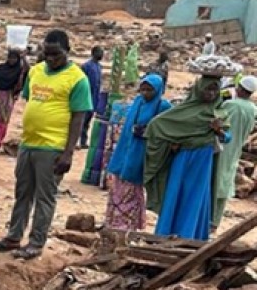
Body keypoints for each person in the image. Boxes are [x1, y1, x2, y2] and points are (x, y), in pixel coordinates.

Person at [0, 29, 91, 260]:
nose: (52, 59)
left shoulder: (77, 78)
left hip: (53, 147)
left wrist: (68, 153)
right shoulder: (35, 72)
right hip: (29, 144)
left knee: (45, 196)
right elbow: (28, 102)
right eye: (48, 54)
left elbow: (78, 117)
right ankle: (14, 236)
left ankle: (36, 241)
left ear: (68, 52)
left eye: (57, 54)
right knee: (22, 192)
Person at [145, 74, 232, 241]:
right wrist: (171, 143)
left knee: (195, 196)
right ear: (199, 89)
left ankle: (189, 236)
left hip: (203, 160)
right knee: (176, 192)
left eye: (215, 90)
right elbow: (157, 125)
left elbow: (227, 138)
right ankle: (166, 233)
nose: (211, 94)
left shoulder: (219, 110)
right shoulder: (183, 109)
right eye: (208, 89)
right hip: (183, 157)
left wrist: (218, 130)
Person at [103, 74, 171, 232]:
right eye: (143, 89)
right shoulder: (137, 102)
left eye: (150, 90)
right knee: (117, 187)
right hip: (124, 150)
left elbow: (165, 129)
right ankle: (113, 223)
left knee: (132, 189)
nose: (145, 93)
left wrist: (147, 131)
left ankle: (128, 226)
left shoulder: (163, 107)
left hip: (140, 153)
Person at [214, 76, 257, 227]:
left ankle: (209, 218)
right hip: (237, 146)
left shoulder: (230, 104)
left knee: (215, 180)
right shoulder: (253, 109)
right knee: (225, 181)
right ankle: (216, 221)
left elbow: (216, 116)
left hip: (221, 145)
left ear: (239, 88)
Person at [0, 49, 26, 156]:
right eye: (10, 58)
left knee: (1, 122)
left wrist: (24, 58)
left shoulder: (19, 72)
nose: (11, 60)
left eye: (14, 58)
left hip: (7, 99)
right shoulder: (1, 68)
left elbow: (22, 81)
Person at [79, 47, 103, 149]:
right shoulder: (86, 66)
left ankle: (83, 142)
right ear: (93, 53)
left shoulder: (99, 67)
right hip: (85, 98)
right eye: (99, 53)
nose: (101, 55)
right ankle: (77, 142)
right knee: (81, 121)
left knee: (87, 122)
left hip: (94, 99)